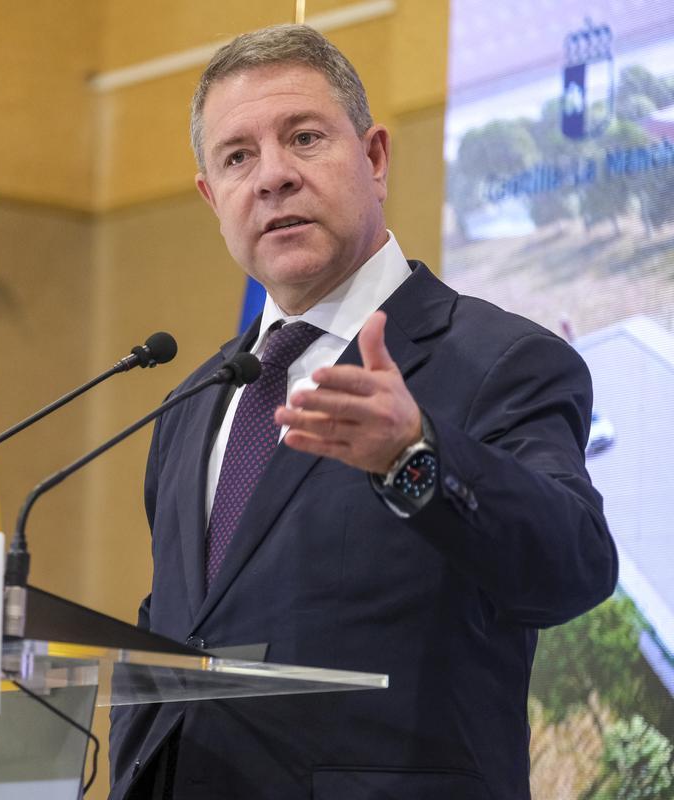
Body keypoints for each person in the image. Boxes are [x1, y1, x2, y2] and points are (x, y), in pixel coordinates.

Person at [108, 24, 617, 800]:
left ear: (374, 157)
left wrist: (415, 457)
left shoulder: (499, 361)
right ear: (214, 197)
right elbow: (180, 632)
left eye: (304, 138)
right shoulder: (194, 401)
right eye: (237, 156)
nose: (272, 177)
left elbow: (572, 568)